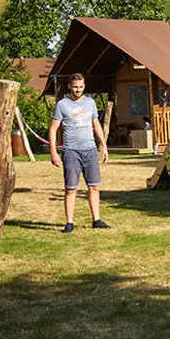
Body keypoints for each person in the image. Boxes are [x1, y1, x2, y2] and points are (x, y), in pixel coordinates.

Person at [49, 73, 110, 233]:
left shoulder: (90, 103)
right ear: (70, 86)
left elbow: (96, 124)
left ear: (84, 86)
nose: (78, 90)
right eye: (75, 87)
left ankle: (96, 220)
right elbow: (53, 128)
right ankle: (69, 222)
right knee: (71, 189)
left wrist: (103, 145)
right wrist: (54, 152)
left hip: (89, 149)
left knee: (94, 187)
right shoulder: (62, 104)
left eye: (81, 87)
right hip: (71, 151)